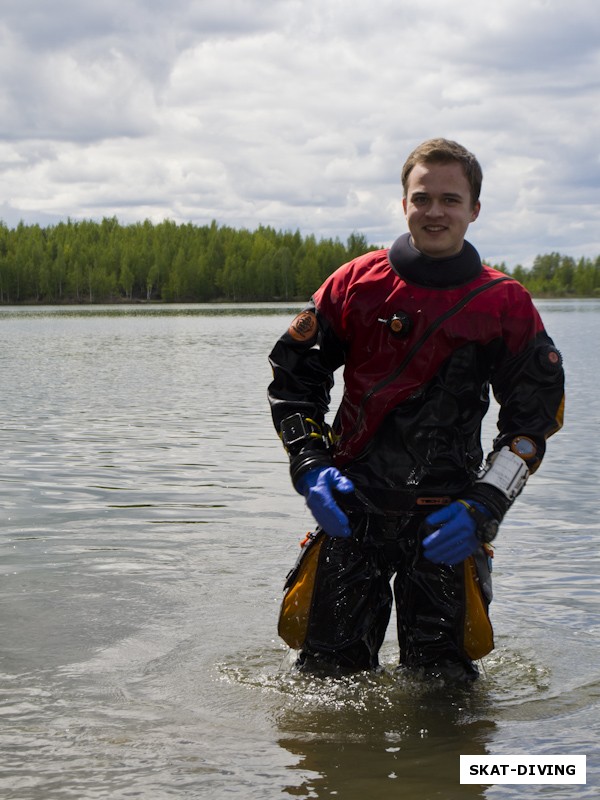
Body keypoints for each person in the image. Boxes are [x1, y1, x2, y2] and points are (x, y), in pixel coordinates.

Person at [268, 138, 565, 682]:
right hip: (351, 511)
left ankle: (467, 773)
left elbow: (531, 423)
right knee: (324, 684)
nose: (435, 211)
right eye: (422, 197)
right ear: (403, 202)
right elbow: (294, 380)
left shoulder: (505, 303)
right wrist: (308, 465)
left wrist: (486, 505)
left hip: (448, 519)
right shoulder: (354, 284)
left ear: (474, 209)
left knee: (447, 696)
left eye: (450, 200)